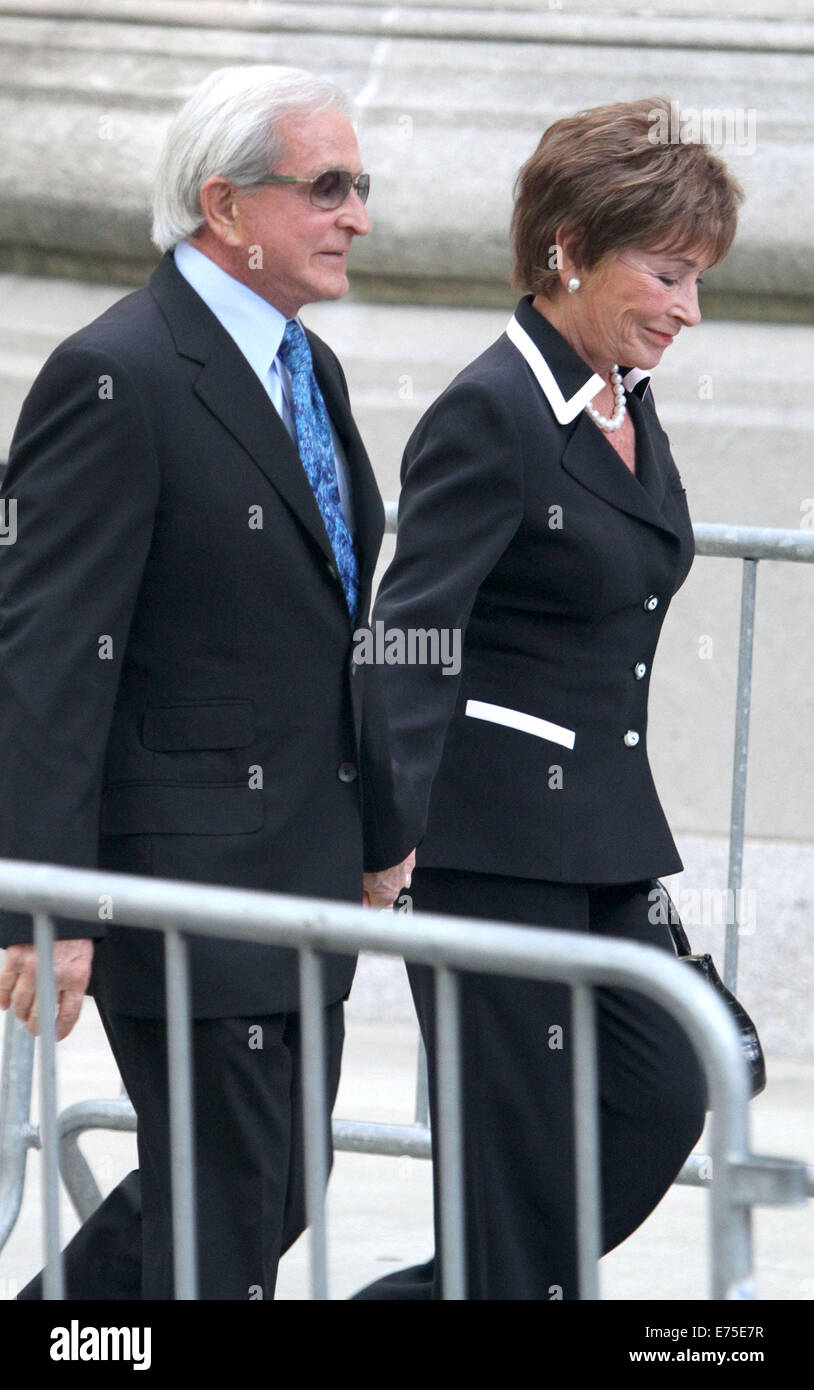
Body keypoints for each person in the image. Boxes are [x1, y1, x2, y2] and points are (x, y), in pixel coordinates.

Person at [0, 64, 411, 1300]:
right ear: (226, 207)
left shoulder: (306, 367)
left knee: (268, 1190)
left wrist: (379, 825)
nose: (358, 215)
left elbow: (341, 619)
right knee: (226, 1216)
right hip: (178, 875)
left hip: (298, 868)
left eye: (360, 186)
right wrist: (50, 899)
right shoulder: (114, 372)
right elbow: (47, 653)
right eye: (327, 187)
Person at [353, 97, 744, 1300]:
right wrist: (388, 834)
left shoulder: (620, 391)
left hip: (605, 839)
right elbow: (409, 631)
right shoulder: (494, 408)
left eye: (698, 280)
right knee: (517, 1180)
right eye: (667, 274)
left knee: (684, 1073)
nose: (689, 309)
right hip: (491, 847)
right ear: (568, 246)